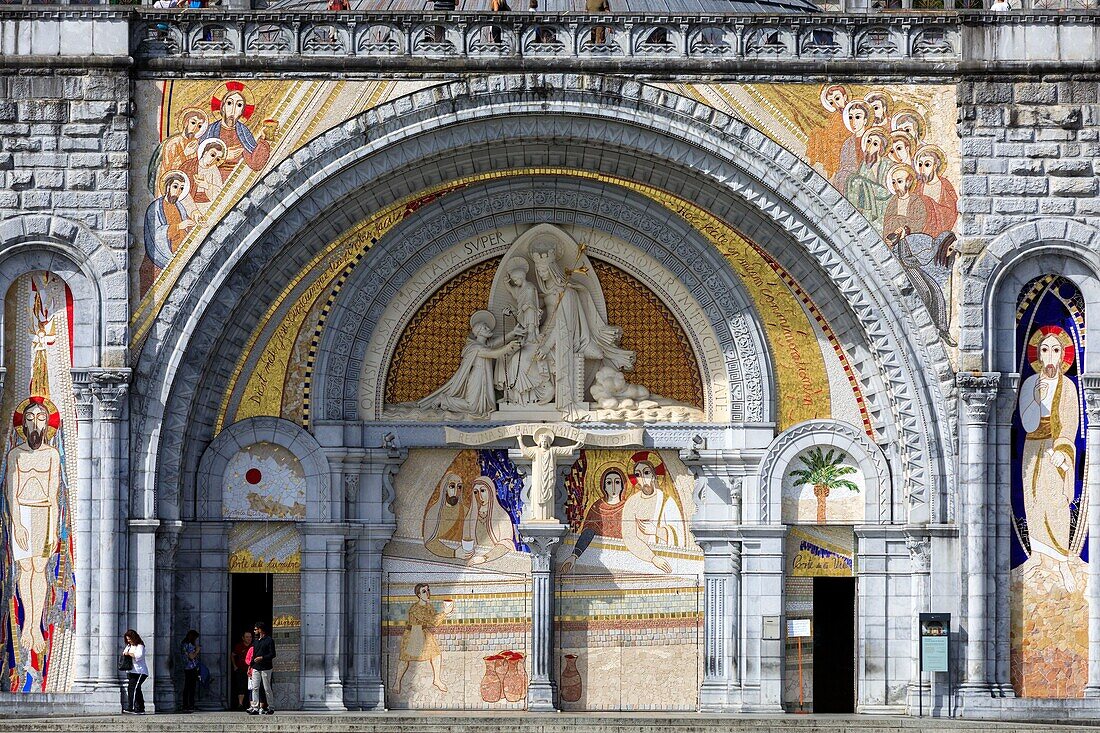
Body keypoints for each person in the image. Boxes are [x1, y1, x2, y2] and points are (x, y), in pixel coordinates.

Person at [1018, 326, 1080, 592]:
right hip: (1033, 449)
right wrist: (1035, 397)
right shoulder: (1031, 383)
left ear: (1062, 355)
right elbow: (1027, 423)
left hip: (1056, 451)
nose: (1050, 356)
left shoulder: (1068, 386)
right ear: (1039, 355)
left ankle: (1063, 561)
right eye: (1045, 350)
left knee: (1056, 502)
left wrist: (1063, 450)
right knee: (1033, 501)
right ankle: (1038, 557)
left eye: (1056, 350)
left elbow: (1071, 422)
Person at [6, 398, 62, 656]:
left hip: (43, 513)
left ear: (47, 424)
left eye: (40, 418)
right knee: (24, 568)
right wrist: (17, 523)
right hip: (22, 512)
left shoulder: (52, 455)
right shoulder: (15, 454)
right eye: (30, 418)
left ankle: (34, 625)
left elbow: (54, 494)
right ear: (23, 424)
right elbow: (10, 492)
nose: (35, 423)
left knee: (39, 568)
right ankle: (26, 623)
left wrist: (53, 528)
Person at [561, 466, 627, 573]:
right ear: (603, 486)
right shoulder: (597, 507)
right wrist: (574, 555)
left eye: (617, 482)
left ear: (623, 485)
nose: (613, 487)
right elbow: (588, 532)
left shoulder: (628, 507)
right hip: (600, 557)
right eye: (609, 483)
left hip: (625, 557)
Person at [394, 583, 454, 694]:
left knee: (436, 655)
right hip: (413, 634)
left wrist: (446, 614)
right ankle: (397, 682)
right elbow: (432, 620)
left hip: (423, 632)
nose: (427, 593)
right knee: (404, 660)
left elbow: (434, 621)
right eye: (424, 591)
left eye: (428, 590)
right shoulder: (415, 608)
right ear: (418, 595)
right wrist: (445, 613)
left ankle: (437, 680)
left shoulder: (428, 605)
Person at [249, 621, 276, 715]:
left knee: (267, 688)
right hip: (256, 667)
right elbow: (254, 655)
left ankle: (271, 707)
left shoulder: (269, 640)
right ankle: (255, 707)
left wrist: (262, 658)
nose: (254, 631)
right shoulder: (256, 641)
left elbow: (273, 654)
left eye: (256, 629)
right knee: (255, 687)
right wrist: (250, 666)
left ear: (260, 629)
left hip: (266, 667)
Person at [121, 630, 148, 715]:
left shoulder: (140, 646)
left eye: (130, 639)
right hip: (131, 671)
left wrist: (129, 654)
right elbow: (125, 653)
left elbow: (138, 656)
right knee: (134, 688)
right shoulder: (129, 646)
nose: (129, 641)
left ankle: (133, 707)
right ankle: (140, 708)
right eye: (127, 639)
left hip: (140, 672)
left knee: (135, 688)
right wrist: (128, 653)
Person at [231, 630, 253, 711]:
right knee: (241, 686)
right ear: (243, 638)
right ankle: (240, 704)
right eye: (247, 637)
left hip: (251, 670)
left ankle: (252, 705)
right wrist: (234, 666)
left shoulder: (253, 646)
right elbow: (233, 655)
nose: (249, 639)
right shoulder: (239, 646)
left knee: (251, 687)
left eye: (250, 637)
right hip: (241, 669)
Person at [180, 629, 201, 712]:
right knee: (190, 687)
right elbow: (191, 656)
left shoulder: (184, 644)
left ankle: (188, 704)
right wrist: (197, 651)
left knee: (190, 687)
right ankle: (189, 704)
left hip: (189, 667)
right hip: (190, 667)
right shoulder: (188, 644)